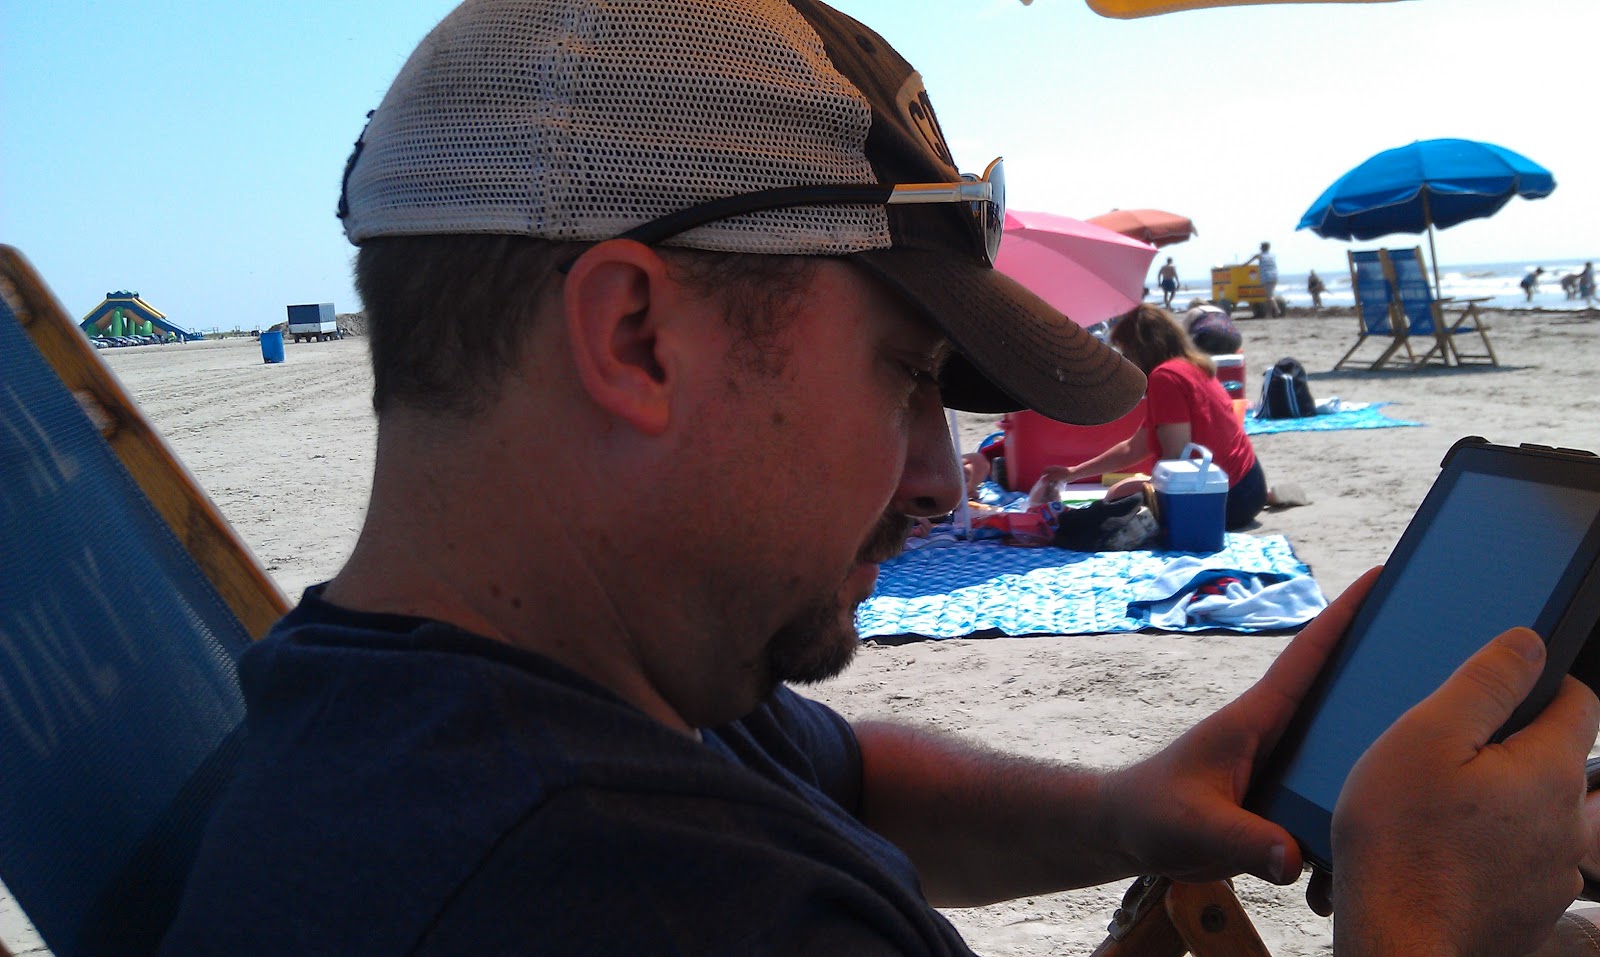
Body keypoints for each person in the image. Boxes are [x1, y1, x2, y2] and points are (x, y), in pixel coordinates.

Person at [158, 2, 1600, 955]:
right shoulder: (639, 900)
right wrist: (1417, 928)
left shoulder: (521, 692)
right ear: (637, 337)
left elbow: (849, 779)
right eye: (906, 374)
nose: (937, 482)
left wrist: (1130, 804)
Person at [1036, 304, 1279, 530]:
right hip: (1249, 482)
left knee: (1107, 509)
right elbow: (1134, 448)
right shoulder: (1189, 366)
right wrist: (1072, 473)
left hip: (1230, 498)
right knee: (1117, 496)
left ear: (1141, 348)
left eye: (1126, 352)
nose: (1126, 360)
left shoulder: (1166, 378)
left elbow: (1177, 459)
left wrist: (1137, 490)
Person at [1246, 241, 1281, 317]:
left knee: (1269, 296)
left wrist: (1243, 266)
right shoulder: (1272, 255)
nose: (1260, 248)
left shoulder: (1260, 255)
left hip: (1267, 277)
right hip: (1274, 276)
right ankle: (1270, 313)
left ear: (1263, 248)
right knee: (1269, 295)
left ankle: (1277, 310)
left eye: (1261, 247)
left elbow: (1250, 261)